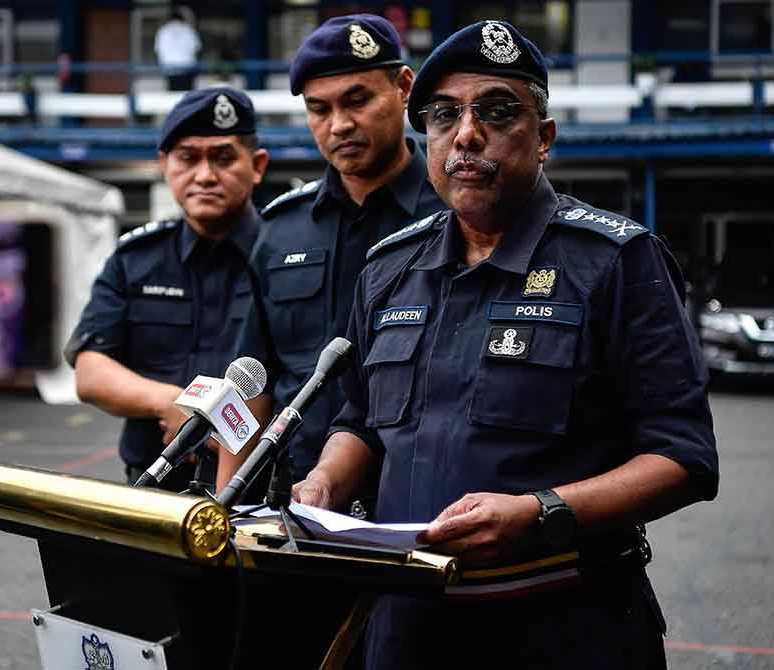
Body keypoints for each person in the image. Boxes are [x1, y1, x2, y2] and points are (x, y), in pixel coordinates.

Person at [293, 21, 719, 669]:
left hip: (565, 626)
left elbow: (683, 458)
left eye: (495, 111)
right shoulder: (389, 269)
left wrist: (539, 511)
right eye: (443, 117)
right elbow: (361, 421)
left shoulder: (614, 261)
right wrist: (327, 477)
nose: (466, 134)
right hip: (409, 629)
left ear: (543, 137)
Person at [221, 14, 442, 494]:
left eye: (357, 100)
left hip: (417, 503)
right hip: (295, 502)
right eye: (319, 109)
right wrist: (227, 507)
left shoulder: (457, 213)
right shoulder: (281, 230)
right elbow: (249, 385)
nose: (340, 125)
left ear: (405, 87)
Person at [65, 87, 270, 492]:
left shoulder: (288, 258)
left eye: (224, 158)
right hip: (151, 490)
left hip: (258, 494)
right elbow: (90, 370)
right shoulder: (135, 259)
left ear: (257, 165)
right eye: (188, 158)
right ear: (164, 165)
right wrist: (171, 402)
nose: (206, 175)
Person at [154, 7, 201, 91]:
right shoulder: (188, 29)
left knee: (173, 95)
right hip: (187, 67)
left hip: (169, 68)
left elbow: (158, 50)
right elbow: (197, 48)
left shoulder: (163, 30)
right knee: (188, 96)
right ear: (182, 18)